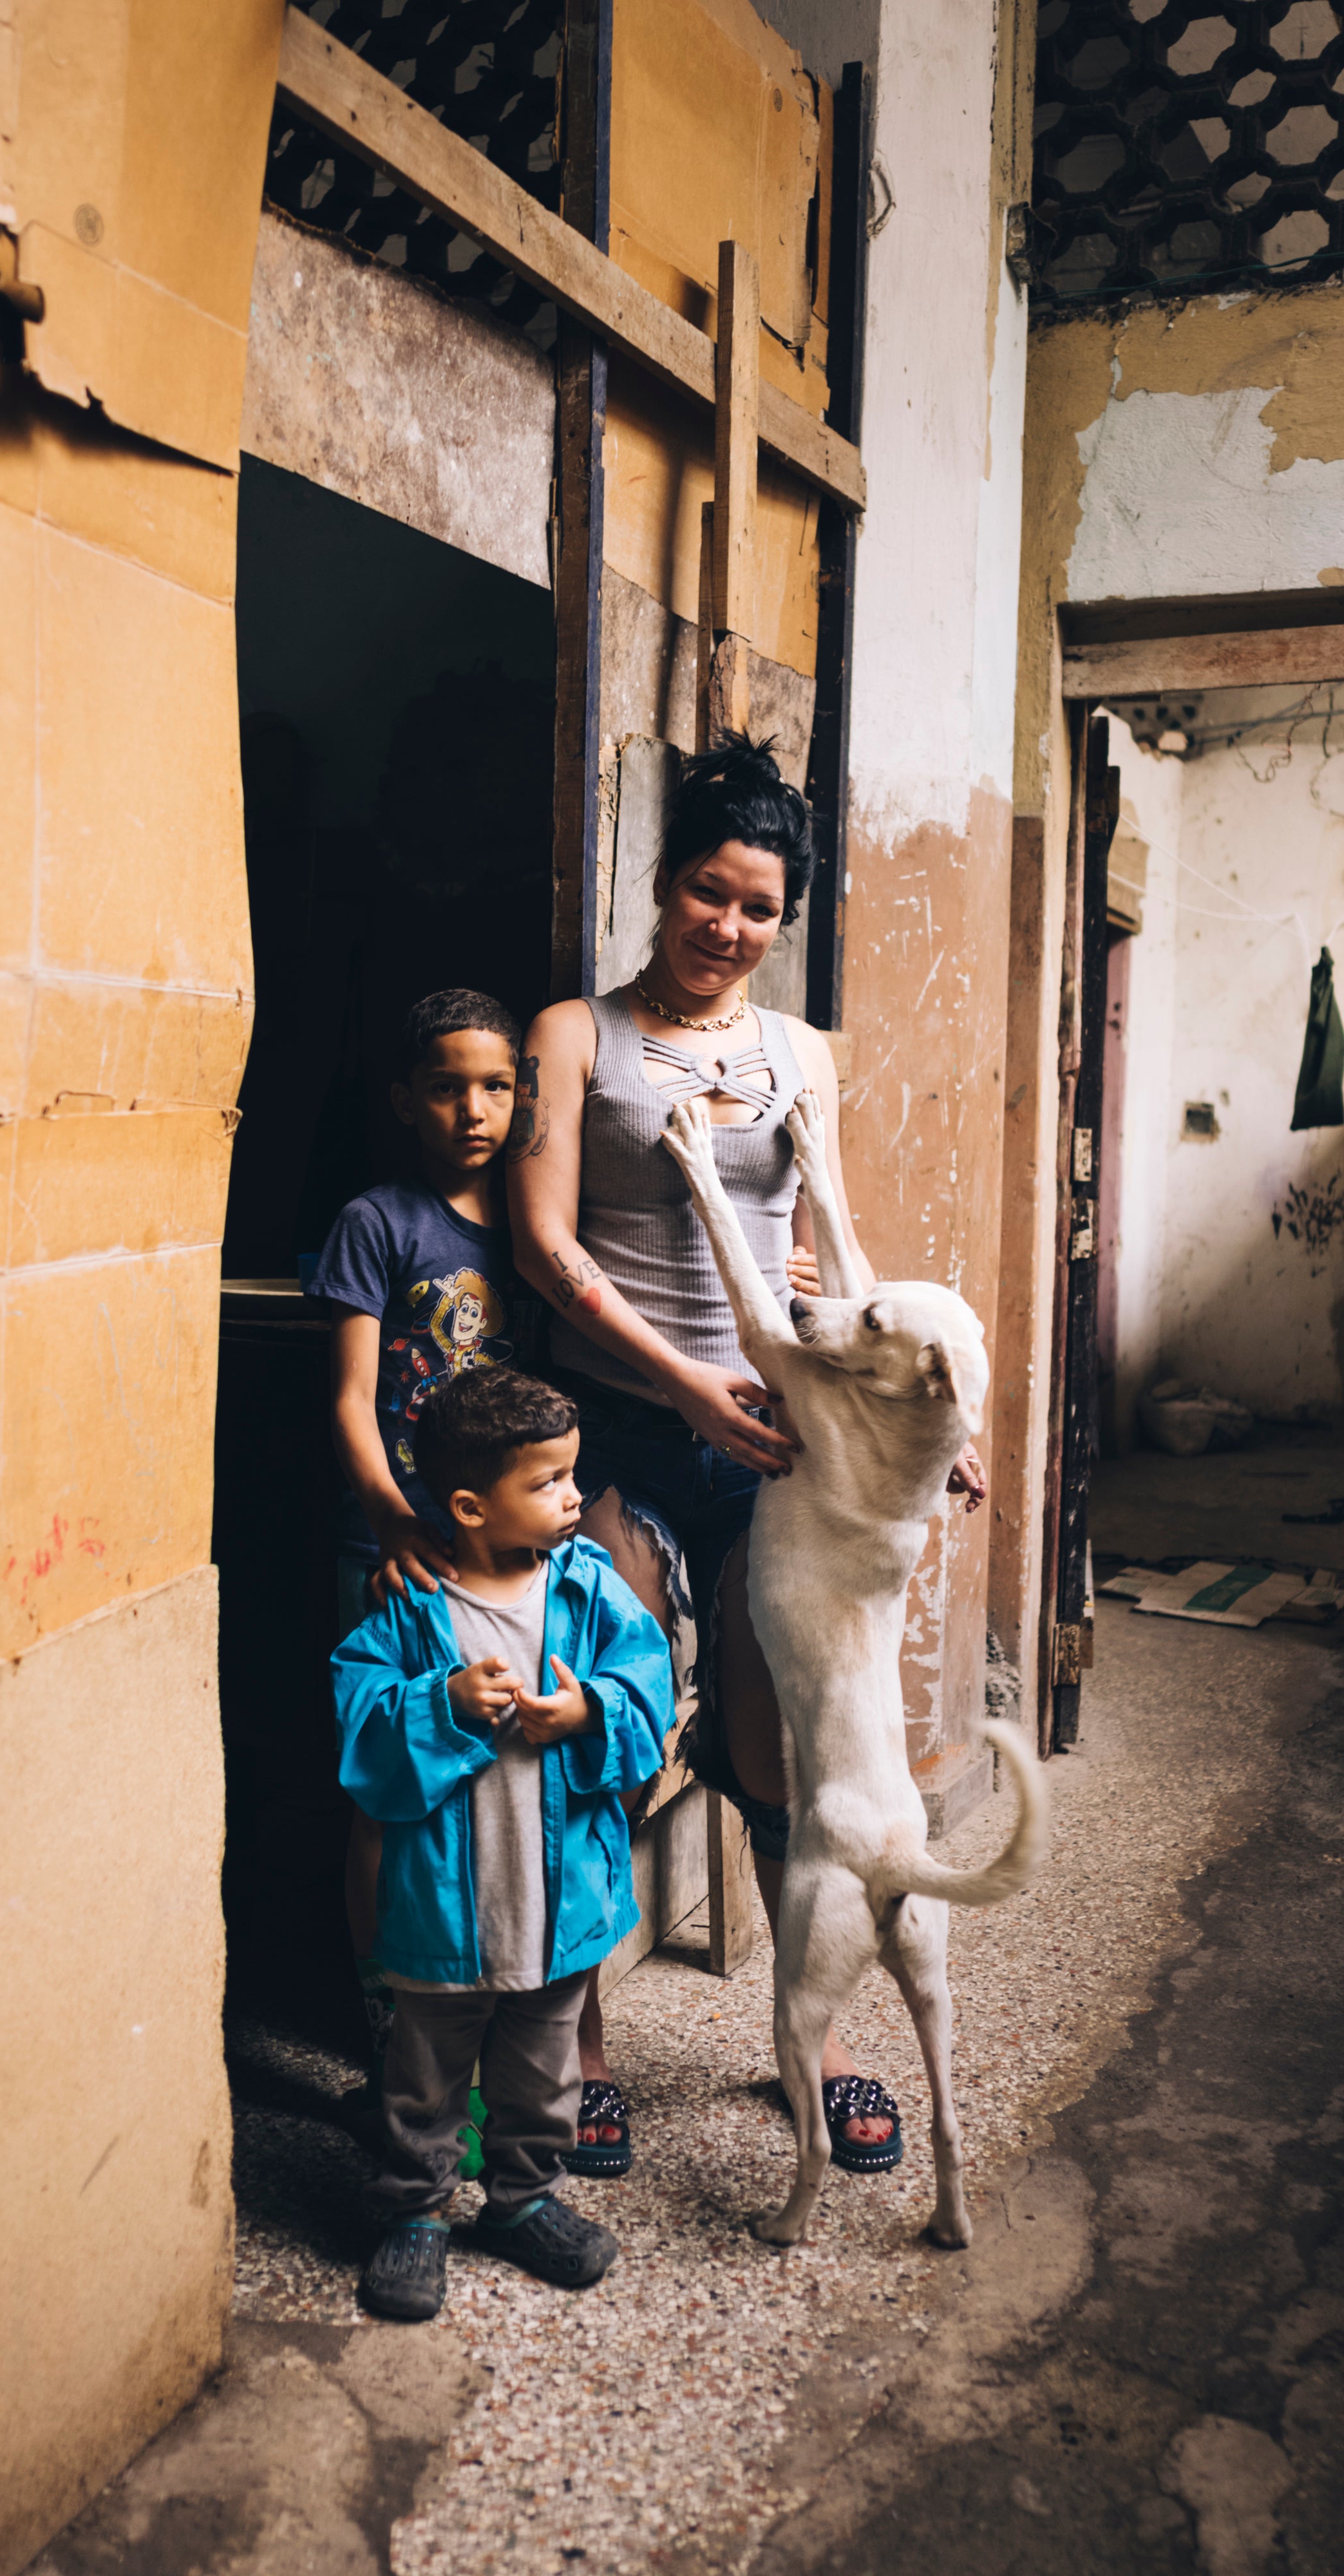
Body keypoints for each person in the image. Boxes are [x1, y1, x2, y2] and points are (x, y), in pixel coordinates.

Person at [507, 733, 986, 2179]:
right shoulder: (574, 1037)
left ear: (783, 920)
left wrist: (907, 1433)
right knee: (600, 1725)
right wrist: (686, 1388)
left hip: (774, 1434)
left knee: (789, 1751)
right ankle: (578, 2051)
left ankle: (812, 2043)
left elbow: (816, 1263)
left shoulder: (800, 1056)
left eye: (758, 907)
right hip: (622, 1423)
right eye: (708, 892)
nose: (728, 927)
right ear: (662, 888)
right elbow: (541, 1243)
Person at [335, 1368, 669, 2321]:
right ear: (471, 1506)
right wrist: (436, 1706)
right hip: (444, 1908)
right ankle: (416, 2212)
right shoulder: (407, 1609)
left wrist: (590, 1708)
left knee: (542, 2072)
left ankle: (521, 2201)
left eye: (572, 1474)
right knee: (424, 2077)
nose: (574, 1496)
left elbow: (646, 1682)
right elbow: (356, 1727)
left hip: (557, 1901)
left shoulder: (591, 1591)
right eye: (549, 1482)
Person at [308, 990, 544, 2089]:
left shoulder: (540, 1222)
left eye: (494, 1085)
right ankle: (380, 2012)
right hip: (397, 1545)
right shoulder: (380, 1222)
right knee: (388, 1780)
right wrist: (387, 1514)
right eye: (447, 1086)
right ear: (407, 1099)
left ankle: (493, 1999)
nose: (473, 1108)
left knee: (498, 1761)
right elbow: (353, 1401)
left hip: (506, 1554)